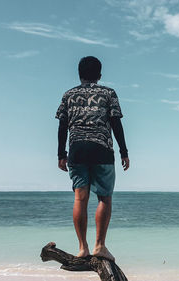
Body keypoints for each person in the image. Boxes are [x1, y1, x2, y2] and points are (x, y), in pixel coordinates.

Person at [55, 56, 130, 261]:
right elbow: (116, 124)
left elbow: (62, 126)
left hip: (77, 149)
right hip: (102, 149)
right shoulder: (108, 93)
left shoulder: (68, 95)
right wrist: (124, 151)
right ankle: (100, 246)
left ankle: (82, 248)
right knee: (104, 198)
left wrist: (61, 154)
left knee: (80, 198)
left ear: (79, 74)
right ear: (99, 75)